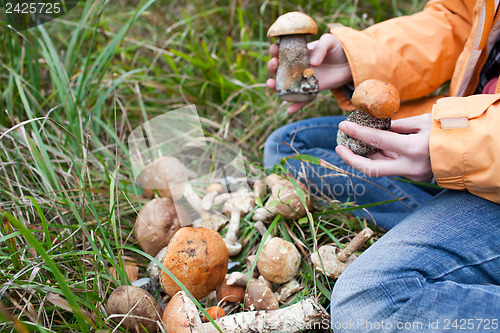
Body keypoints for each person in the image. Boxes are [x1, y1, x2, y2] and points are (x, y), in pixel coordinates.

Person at [264, 0, 500, 331]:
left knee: (369, 305)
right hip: (460, 126)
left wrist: (459, 145)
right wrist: (358, 59)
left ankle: (442, 236)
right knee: (288, 147)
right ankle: (440, 227)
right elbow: (460, 19)